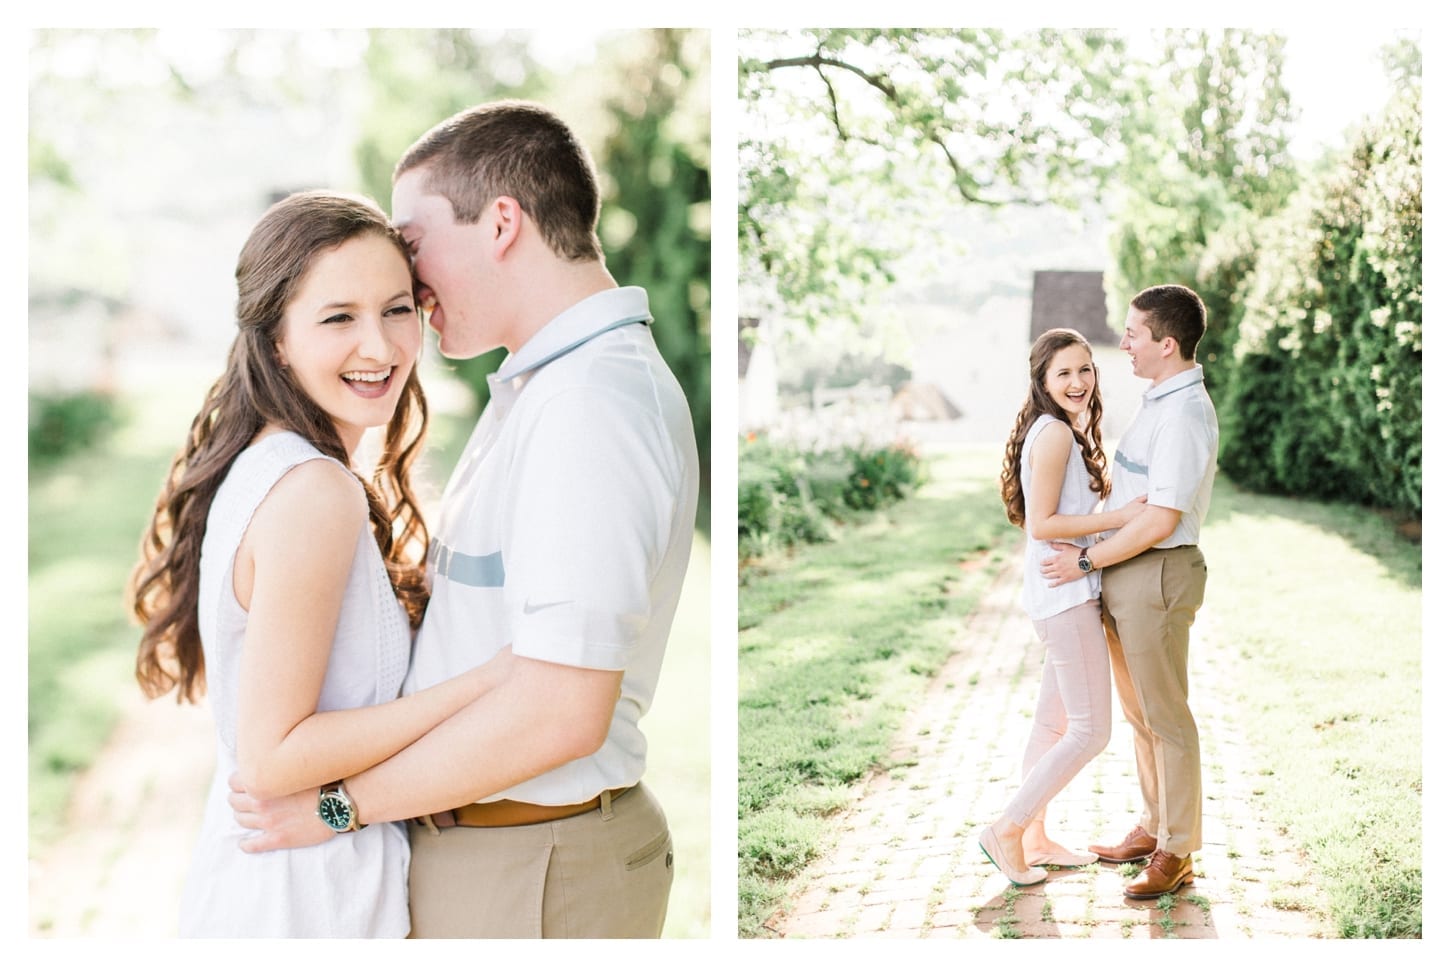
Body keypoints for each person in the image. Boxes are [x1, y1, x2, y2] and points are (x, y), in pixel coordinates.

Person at [227, 100, 699, 939]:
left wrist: (340, 806)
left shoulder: (589, 404)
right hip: (498, 857)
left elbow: (560, 709)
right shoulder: (541, 385)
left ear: (502, 224)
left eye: (411, 242)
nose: (405, 277)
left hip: (533, 868)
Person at [128, 191, 514, 937]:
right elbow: (272, 757)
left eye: (397, 309)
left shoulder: (277, 464)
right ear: (276, 340)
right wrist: (482, 686)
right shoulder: (314, 491)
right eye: (339, 318)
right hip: (301, 907)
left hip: (287, 887)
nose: (380, 346)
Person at [1041, 284, 1218, 900]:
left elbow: (1159, 520)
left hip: (1158, 573)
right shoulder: (1159, 400)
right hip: (1130, 573)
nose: (1124, 344)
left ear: (1166, 345)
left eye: (1134, 334)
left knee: (1166, 717)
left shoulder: (1184, 414)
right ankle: (1154, 825)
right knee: (1142, 716)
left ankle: (1178, 852)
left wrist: (1085, 557)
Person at [978, 328, 1147, 886]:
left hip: (1063, 593)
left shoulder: (1063, 431)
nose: (1078, 382)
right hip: (1065, 595)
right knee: (1090, 730)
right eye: (1064, 374)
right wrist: (1117, 520)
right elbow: (1042, 523)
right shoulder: (1052, 435)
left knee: (1052, 725)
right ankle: (1007, 828)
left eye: (1085, 370)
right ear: (1043, 383)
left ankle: (1036, 839)